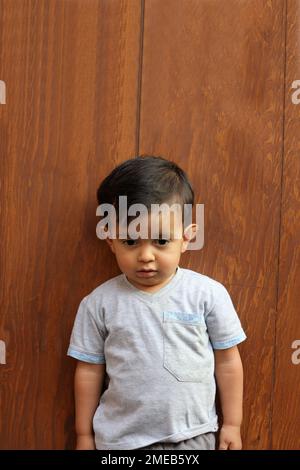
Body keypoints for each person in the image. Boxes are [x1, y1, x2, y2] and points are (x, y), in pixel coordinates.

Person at [67, 155, 247, 450]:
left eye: (161, 241)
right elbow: (88, 371)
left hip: (191, 436)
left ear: (187, 238)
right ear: (111, 240)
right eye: (130, 242)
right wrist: (83, 434)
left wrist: (232, 424)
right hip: (119, 441)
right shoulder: (98, 304)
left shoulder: (207, 294)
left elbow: (228, 362)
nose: (146, 256)